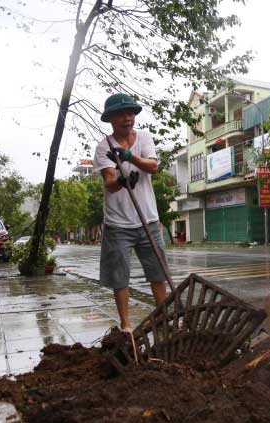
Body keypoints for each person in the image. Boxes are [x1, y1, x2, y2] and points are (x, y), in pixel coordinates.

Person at [92, 93, 168, 332]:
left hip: (148, 219)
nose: (127, 118)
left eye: (130, 113)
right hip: (118, 223)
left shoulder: (144, 138)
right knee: (120, 277)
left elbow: (153, 166)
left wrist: (129, 157)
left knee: (158, 273)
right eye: (121, 114)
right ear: (111, 118)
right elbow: (109, 182)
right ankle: (126, 326)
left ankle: (164, 318)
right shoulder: (104, 146)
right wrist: (123, 183)